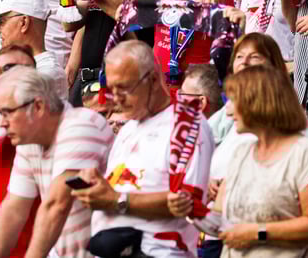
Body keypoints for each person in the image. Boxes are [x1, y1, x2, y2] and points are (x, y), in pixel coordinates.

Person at [170, 66, 308, 255]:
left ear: (259, 103)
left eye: (233, 101)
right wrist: (192, 209)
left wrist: (259, 233)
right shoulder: (241, 153)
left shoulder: (306, 152)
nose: (228, 113)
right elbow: (221, 221)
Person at [75, 41, 212, 258]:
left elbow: (188, 203)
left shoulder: (186, 121)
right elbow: (122, 186)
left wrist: (117, 201)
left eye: (124, 88)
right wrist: (97, 185)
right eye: (112, 89)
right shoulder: (128, 127)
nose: (116, 99)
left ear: (154, 80)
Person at [0, 67, 113, 258]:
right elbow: (13, 210)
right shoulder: (30, 139)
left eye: (7, 112)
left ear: (37, 107)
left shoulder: (80, 125)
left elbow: (57, 205)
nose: (2, 123)